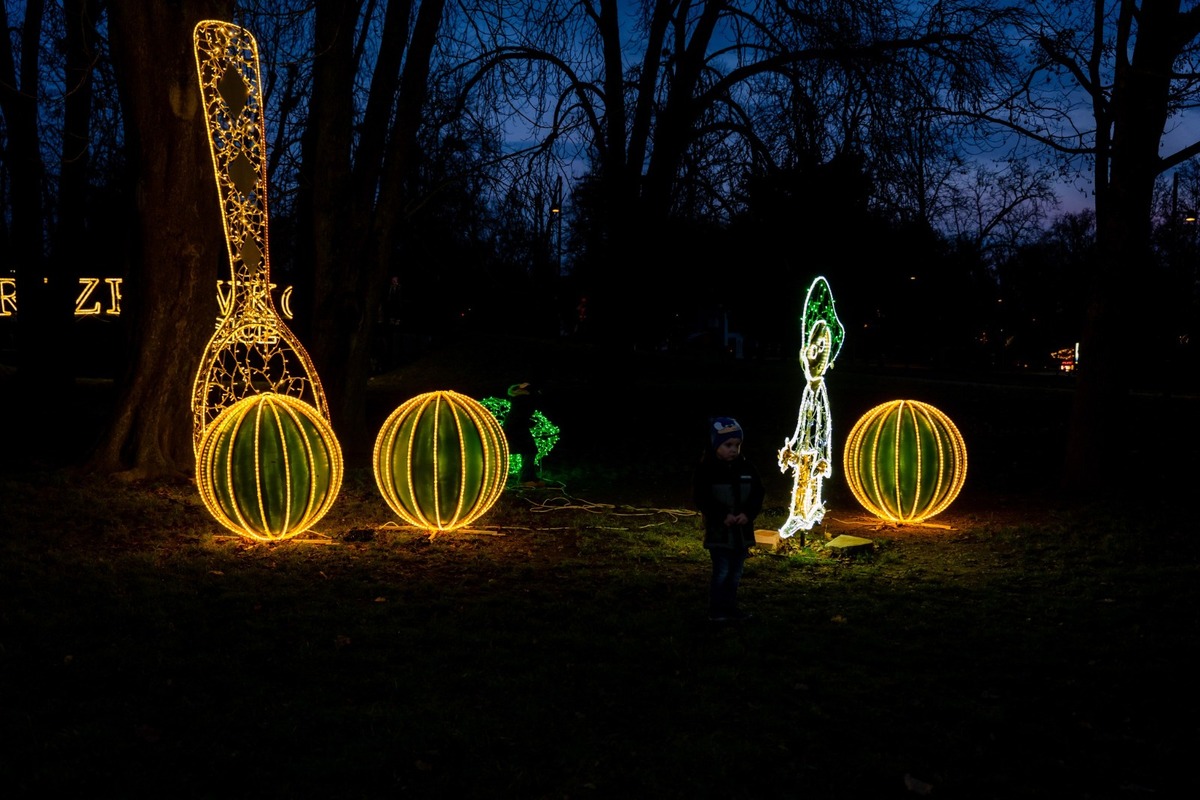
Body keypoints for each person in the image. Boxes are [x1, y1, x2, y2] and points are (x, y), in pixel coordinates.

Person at [692, 416, 765, 623]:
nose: (733, 449)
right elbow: (702, 498)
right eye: (728, 445)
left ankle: (730, 607)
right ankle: (717, 609)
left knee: (735, 571)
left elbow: (757, 494)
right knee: (722, 570)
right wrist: (721, 516)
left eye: (737, 445)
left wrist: (747, 514)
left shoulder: (747, 469)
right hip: (720, 532)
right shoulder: (706, 470)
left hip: (741, 532)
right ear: (715, 445)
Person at [505, 381, 544, 486]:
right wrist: (529, 422)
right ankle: (524, 479)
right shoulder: (523, 399)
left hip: (516, 427)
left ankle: (530, 478)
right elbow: (521, 414)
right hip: (516, 428)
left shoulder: (519, 397)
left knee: (529, 451)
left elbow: (521, 414)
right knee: (530, 451)